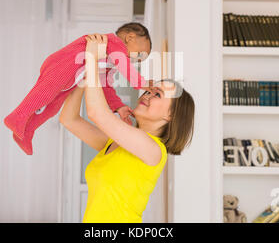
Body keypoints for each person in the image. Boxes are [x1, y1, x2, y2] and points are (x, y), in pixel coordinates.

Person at [59, 33, 195, 223]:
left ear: (170, 115)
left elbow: (97, 113)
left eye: (157, 94)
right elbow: (69, 119)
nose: (147, 93)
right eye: (149, 89)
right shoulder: (115, 144)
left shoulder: (154, 150)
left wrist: (92, 60)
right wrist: (85, 71)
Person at [4, 23, 154, 155]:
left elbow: (105, 85)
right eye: (138, 55)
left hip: (72, 77)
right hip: (62, 64)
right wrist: (141, 82)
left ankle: (26, 132)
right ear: (130, 37)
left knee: (53, 108)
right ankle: (17, 116)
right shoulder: (114, 43)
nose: (134, 61)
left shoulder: (109, 61)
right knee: (44, 94)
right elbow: (125, 67)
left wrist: (118, 106)